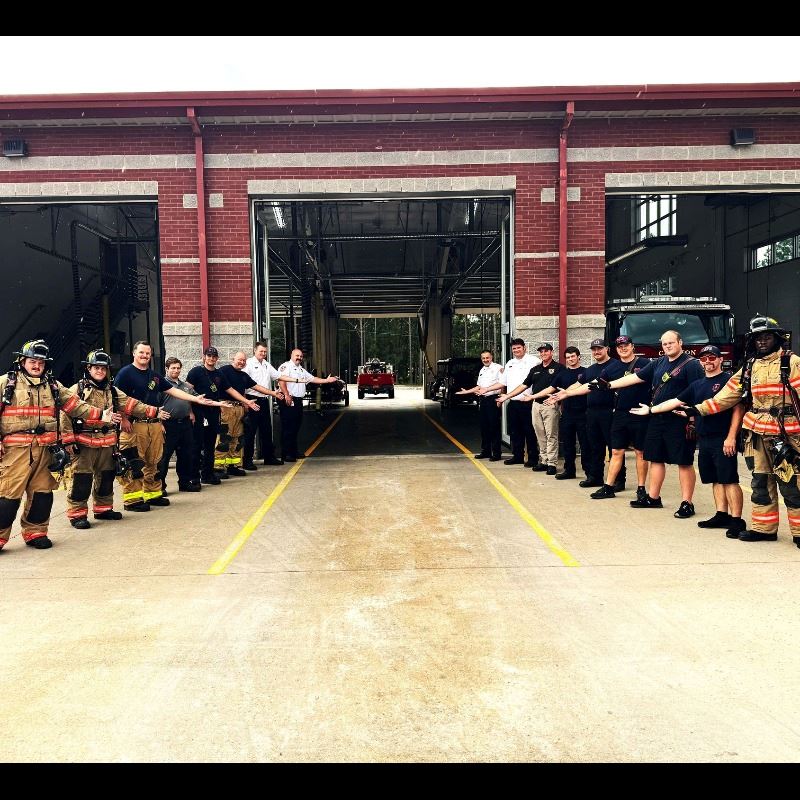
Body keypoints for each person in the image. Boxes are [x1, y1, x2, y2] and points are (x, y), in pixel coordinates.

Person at [685, 316, 800, 545]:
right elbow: (727, 396)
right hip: (755, 435)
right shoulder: (749, 366)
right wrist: (697, 409)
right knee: (760, 483)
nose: (762, 341)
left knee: (792, 484)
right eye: (758, 338)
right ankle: (763, 529)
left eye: (767, 336)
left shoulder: (792, 362)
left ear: (777, 338)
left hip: (786, 435)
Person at [0, 340, 118, 550]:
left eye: (41, 363)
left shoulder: (53, 386)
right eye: (33, 362)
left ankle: (36, 532)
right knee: (7, 497)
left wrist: (101, 414)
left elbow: (76, 406)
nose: (37, 366)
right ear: (22, 361)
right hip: (14, 452)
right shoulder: (5, 383)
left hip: (46, 451)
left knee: (42, 494)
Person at [630, 344, 745, 537]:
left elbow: (738, 410)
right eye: (704, 359)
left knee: (729, 479)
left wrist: (731, 437)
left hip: (723, 438)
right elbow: (675, 402)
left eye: (712, 358)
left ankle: (736, 520)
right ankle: (721, 514)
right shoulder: (697, 385)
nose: (708, 362)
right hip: (705, 438)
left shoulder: (728, 381)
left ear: (720, 360)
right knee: (715, 479)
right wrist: (650, 410)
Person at [591, 330, 705, 517]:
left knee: (683, 462)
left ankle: (687, 503)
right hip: (656, 418)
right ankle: (653, 498)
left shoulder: (691, 365)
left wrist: (692, 416)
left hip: (679, 420)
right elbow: (635, 378)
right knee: (655, 459)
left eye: (671, 343)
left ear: (680, 342)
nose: (667, 346)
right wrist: (609, 385)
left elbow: (698, 391)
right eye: (664, 343)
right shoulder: (658, 362)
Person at [115, 341, 223, 512]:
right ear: (134, 353)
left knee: (154, 461)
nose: (145, 356)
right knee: (135, 463)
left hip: (154, 425)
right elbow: (116, 398)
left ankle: (152, 493)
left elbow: (173, 391)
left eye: (148, 353)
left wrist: (195, 399)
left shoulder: (154, 376)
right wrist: (123, 419)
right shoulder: (125, 373)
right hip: (134, 425)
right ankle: (133, 500)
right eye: (141, 352)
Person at [61, 349, 161, 529]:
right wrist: (68, 440)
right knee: (81, 480)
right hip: (83, 444)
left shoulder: (113, 391)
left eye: (103, 368)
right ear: (89, 369)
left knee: (106, 478)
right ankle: (77, 514)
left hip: (107, 444)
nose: (100, 371)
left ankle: (103, 509)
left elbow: (132, 404)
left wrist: (155, 411)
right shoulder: (77, 390)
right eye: (96, 368)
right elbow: (65, 415)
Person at [554, 335, 651, 501]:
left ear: (632, 346)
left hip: (639, 412)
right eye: (619, 346)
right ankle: (608, 486)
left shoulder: (646, 364)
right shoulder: (612, 368)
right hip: (619, 413)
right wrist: (568, 393)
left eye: (626, 345)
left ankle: (641, 488)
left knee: (640, 452)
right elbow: (591, 384)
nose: (623, 348)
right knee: (615, 451)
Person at [551, 339, 618, 489]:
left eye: (599, 348)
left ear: (607, 349)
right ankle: (596, 477)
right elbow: (580, 384)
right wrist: (565, 393)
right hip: (592, 413)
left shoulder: (614, 365)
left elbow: (590, 386)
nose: (596, 352)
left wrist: (567, 394)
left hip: (609, 411)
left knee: (614, 448)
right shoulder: (591, 369)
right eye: (594, 349)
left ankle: (618, 480)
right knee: (595, 447)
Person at [185, 346, 256, 485]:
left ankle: (208, 475)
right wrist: (190, 412)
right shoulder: (196, 372)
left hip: (214, 412)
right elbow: (187, 392)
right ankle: (194, 478)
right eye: (209, 356)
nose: (211, 358)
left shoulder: (219, 374)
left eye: (214, 356)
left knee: (210, 445)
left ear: (217, 358)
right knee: (197, 445)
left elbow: (230, 390)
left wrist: (246, 401)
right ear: (204, 357)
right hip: (199, 412)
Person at [496, 343, 564, 474]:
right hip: (536, 405)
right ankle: (543, 461)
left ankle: (552, 463)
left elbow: (554, 388)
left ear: (552, 352)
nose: (543, 353)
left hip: (549, 405)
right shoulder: (535, 369)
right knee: (540, 435)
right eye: (541, 351)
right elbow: (523, 385)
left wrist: (532, 396)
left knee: (551, 435)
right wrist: (507, 396)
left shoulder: (558, 368)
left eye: (546, 351)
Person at [217, 351, 284, 476]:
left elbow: (256, 386)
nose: (241, 362)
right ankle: (218, 468)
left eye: (243, 360)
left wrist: (273, 393)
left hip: (239, 408)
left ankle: (233, 466)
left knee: (237, 438)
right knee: (224, 438)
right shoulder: (224, 371)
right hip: (226, 407)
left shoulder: (243, 375)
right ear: (233, 359)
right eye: (239, 360)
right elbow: (227, 389)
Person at [482, 338, 539, 466]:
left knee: (529, 431)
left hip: (527, 402)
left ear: (525, 348)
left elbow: (539, 380)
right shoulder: (510, 363)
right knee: (515, 431)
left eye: (519, 347)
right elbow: (502, 382)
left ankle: (532, 458)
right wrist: (487, 388)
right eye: (514, 348)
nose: (516, 350)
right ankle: (517, 456)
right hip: (513, 402)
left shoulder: (534, 361)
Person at [276, 349, 339, 462]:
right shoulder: (286, 367)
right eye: (297, 355)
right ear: (291, 355)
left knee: (295, 427)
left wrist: (327, 380)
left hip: (298, 401)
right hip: (288, 399)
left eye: (300, 356)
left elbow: (313, 378)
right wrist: (286, 395)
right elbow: (281, 381)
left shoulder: (301, 370)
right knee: (288, 427)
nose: (299, 357)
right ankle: (286, 454)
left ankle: (293, 451)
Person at [157, 357, 201, 495]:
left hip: (185, 424)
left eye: (178, 368)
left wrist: (191, 412)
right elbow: (154, 405)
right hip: (168, 425)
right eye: (173, 368)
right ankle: (160, 486)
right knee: (164, 457)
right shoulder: (162, 385)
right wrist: (159, 424)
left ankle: (184, 483)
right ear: (167, 369)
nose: (176, 370)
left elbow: (195, 399)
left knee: (186, 455)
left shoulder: (185, 386)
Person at [455, 349, 504, 461]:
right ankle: (485, 451)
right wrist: (467, 391)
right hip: (483, 400)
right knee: (484, 427)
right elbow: (479, 387)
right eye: (483, 358)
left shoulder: (498, 368)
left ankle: (496, 453)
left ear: (491, 357)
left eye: (487, 357)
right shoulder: (482, 370)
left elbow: (502, 384)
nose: (486, 360)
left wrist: (500, 399)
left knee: (494, 427)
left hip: (493, 399)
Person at [243, 341, 283, 468]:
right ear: (255, 350)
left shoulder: (266, 364)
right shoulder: (248, 364)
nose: (263, 354)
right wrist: (245, 402)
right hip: (252, 400)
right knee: (251, 432)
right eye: (261, 351)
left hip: (264, 401)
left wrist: (298, 380)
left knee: (266, 430)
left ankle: (269, 457)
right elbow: (242, 383)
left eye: (265, 352)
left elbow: (278, 376)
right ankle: (247, 461)